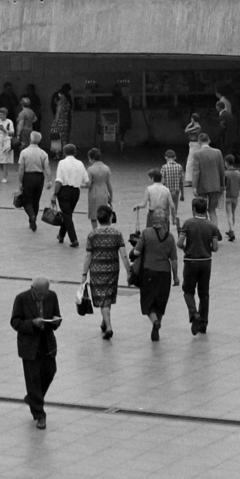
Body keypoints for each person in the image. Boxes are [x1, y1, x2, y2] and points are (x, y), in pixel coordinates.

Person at [9, 276, 62, 429]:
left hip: (46, 341)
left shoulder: (52, 296)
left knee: (50, 371)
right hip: (29, 345)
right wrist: (31, 323)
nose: (43, 297)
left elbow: (56, 315)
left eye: (45, 293)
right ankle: (39, 414)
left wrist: (55, 321)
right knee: (33, 378)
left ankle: (33, 398)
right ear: (33, 289)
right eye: (40, 294)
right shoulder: (21, 298)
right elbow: (15, 322)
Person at [82, 206, 129, 338]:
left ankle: (108, 326)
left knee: (102, 298)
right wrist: (129, 271)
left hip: (96, 270)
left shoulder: (92, 234)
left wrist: (84, 274)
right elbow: (124, 255)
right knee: (107, 296)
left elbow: (88, 256)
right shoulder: (117, 234)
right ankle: (105, 322)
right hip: (112, 269)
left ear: (98, 218)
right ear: (110, 217)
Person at [179, 197, 223, 334]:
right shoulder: (212, 226)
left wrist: (187, 248)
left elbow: (179, 243)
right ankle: (203, 323)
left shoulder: (188, 224)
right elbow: (215, 247)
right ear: (205, 210)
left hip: (190, 261)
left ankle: (194, 312)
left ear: (193, 209)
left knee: (188, 291)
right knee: (204, 293)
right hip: (206, 261)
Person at [135, 209, 178, 341]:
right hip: (165, 274)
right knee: (160, 302)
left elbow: (136, 252)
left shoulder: (146, 233)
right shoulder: (170, 238)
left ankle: (154, 322)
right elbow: (174, 260)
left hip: (149, 272)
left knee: (148, 302)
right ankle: (157, 326)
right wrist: (175, 276)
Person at [52, 143, 89, 248]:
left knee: (67, 214)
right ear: (75, 152)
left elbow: (59, 180)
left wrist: (55, 194)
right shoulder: (80, 163)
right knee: (67, 213)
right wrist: (77, 183)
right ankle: (61, 235)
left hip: (64, 190)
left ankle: (74, 239)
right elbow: (87, 182)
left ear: (64, 153)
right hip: (76, 191)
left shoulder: (62, 163)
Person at [16, 132, 50, 231]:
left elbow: (21, 168)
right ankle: (34, 217)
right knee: (36, 199)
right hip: (39, 177)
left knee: (26, 199)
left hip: (28, 176)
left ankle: (32, 216)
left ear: (30, 139)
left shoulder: (24, 152)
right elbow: (47, 167)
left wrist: (20, 182)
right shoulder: (43, 153)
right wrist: (49, 180)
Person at [192, 135, 225, 231]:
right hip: (215, 185)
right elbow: (222, 170)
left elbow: (196, 171)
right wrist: (222, 184)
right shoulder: (218, 152)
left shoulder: (197, 154)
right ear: (209, 140)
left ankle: (205, 231)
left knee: (202, 210)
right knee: (212, 210)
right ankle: (215, 232)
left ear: (199, 141)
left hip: (202, 186)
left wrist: (194, 186)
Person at [85, 149, 114, 227]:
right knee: (104, 213)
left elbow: (88, 184)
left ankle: (95, 231)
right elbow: (109, 183)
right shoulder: (106, 168)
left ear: (92, 158)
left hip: (94, 192)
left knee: (93, 215)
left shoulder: (90, 169)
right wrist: (111, 195)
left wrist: (79, 185)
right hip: (104, 192)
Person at [0, 107, 16, 182]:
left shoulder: (9, 122)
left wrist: (5, 130)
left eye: (4, 115)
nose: (2, 116)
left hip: (6, 140)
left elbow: (12, 132)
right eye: (0, 114)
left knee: (5, 160)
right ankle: (5, 172)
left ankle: (4, 177)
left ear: (6, 115)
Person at [221, 155, 240, 241]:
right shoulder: (238, 173)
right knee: (233, 213)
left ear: (226, 163)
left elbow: (223, 185)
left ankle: (232, 231)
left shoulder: (225, 173)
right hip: (236, 196)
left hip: (228, 196)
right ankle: (230, 229)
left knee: (229, 214)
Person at [159, 148, 186, 217]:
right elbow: (181, 182)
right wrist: (182, 194)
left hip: (167, 191)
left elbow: (162, 181)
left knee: (166, 208)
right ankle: (175, 219)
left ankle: (167, 222)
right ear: (175, 157)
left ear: (165, 157)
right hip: (176, 191)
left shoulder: (164, 167)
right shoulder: (179, 167)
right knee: (174, 206)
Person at [50, 83, 74, 153]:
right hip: (66, 119)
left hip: (59, 120)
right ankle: (65, 153)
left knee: (57, 137)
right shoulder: (67, 100)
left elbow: (56, 112)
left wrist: (55, 122)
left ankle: (57, 154)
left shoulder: (59, 102)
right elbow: (71, 106)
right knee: (65, 138)